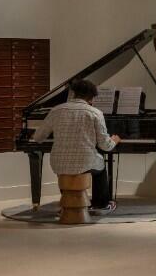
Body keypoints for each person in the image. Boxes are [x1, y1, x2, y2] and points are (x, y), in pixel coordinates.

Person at [31, 78, 121, 213]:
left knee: (65, 167)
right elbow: (105, 146)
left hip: (58, 163)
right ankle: (101, 204)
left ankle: (68, 202)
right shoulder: (95, 113)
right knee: (100, 165)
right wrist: (114, 140)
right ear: (91, 97)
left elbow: (38, 137)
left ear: (73, 93)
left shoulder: (56, 110)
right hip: (86, 162)